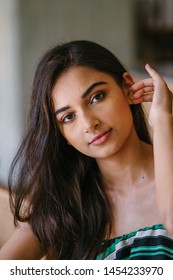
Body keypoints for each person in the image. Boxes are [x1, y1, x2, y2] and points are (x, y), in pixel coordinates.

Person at [0, 40, 172, 260]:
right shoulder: (65, 204)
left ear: (128, 87)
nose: (89, 123)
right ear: (63, 136)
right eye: (68, 117)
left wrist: (163, 120)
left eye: (96, 97)